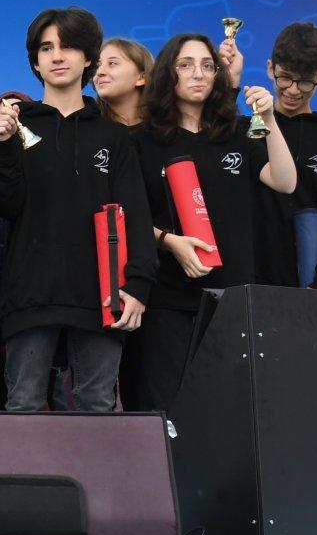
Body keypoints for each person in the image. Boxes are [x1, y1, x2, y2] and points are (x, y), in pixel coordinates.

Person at [0, 8, 154, 413]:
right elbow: (5, 207)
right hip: (29, 291)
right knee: (23, 405)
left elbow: (135, 213)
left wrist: (138, 284)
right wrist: (4, 147)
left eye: (68, 46)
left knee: (97, 406)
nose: (57, 56)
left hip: (100, 292)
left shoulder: (112, 135)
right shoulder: (14, 124)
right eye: (46, 48)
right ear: (35, 62)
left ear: (88, 59)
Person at [122, 33, 295, 413]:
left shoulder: (235, 131)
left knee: (225, 409)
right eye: (185, 65)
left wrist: (268, 119)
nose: (198, 74)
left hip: (230, 295)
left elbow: (285, 181)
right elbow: (128, 216)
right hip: (167, 298)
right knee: (167, 409)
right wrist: (169, 241)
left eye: (207, 65)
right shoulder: (142, 141)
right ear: (169, 74)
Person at [251, 22, 317, 290]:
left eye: (306, 81)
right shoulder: (246, 133)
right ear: (270, 68)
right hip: (249, 285)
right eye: (285, 77)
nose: (293, 89)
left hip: (316, 291)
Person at [94, 38, 152, 128]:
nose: (99, 72)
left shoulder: (166, 131)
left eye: (112, 63)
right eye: (97, 65)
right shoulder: (83, 127)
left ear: (141, 78)